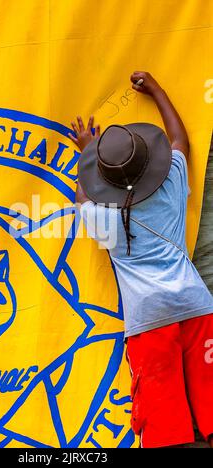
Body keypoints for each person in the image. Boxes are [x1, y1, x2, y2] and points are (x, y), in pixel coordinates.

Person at [68, 71, 213, 449]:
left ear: (105, 179)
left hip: (149, 323)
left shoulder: (106, 219)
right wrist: (155, 89)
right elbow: (180, 140)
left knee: (165, 428)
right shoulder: (172, 186)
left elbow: (82, 201)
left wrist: (87, 150)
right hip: (197, 306)